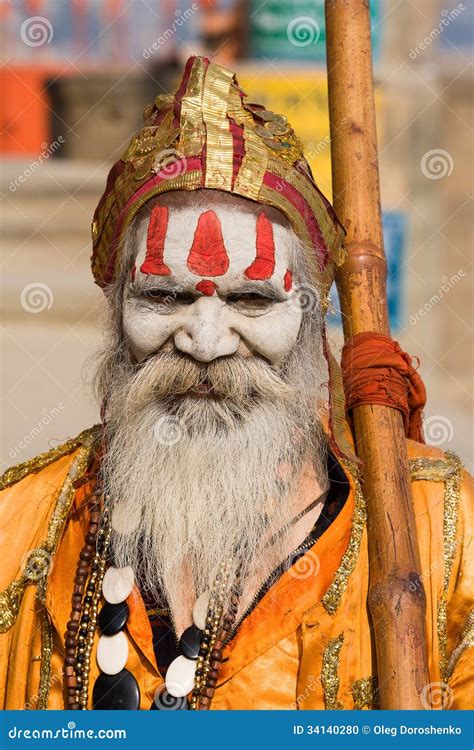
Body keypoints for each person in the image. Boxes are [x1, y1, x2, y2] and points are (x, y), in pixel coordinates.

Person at [1, 56, 472, 711]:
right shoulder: (15, 529)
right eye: (164, 298)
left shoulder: (440, 536)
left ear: (312, 324)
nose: (206, 341)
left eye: (252, 301)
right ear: (115, 313)